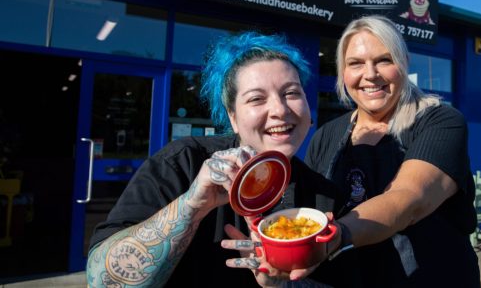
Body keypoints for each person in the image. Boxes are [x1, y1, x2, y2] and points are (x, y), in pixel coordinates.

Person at [86, 32, 327, 287]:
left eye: (291, 93)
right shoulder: (183, 163)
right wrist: (193, 204)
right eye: (257, 98)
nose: (280, 110)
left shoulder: (321, 197)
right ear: (232, 117)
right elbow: (101, 281)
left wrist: (278, 284)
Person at [303, 15, 480, 287]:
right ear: (342, 72)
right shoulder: (327, 135)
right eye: (356, 63)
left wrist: (338, 234)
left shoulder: (440, 122)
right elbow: (309, 212)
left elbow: (409, 198)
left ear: (404, 63)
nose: (370, 74)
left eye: (384, 60)